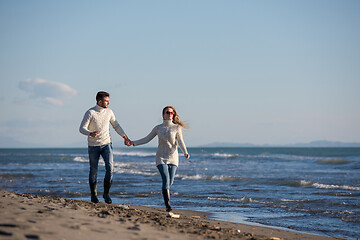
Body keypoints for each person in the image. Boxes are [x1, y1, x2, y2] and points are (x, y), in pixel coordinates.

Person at [130, 106, 190, 213]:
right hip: (161, 157)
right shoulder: (158, 128)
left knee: (170, 182)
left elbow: (180, 141)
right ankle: (168, 205)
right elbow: (146, 139)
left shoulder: (176, 127)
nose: (170, 114)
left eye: (172, 113)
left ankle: (166, 197)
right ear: (163, 115)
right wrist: (133, 143)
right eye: (168, 112)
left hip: (173, 158)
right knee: (166, 180)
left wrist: (185, 152)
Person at [79, 91, 131, 204]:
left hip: (107, 144)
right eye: (106, 101)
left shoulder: (109, 112)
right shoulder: (90, 113)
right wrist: (90, 133)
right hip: (93, 146)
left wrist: (125, 137)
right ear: (99, 101)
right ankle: (94, 195)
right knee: (93, 170)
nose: (108, 102)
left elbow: (116, 125)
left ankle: (106, 194)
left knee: (110, 168)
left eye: (108, 100)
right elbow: (81, 128)